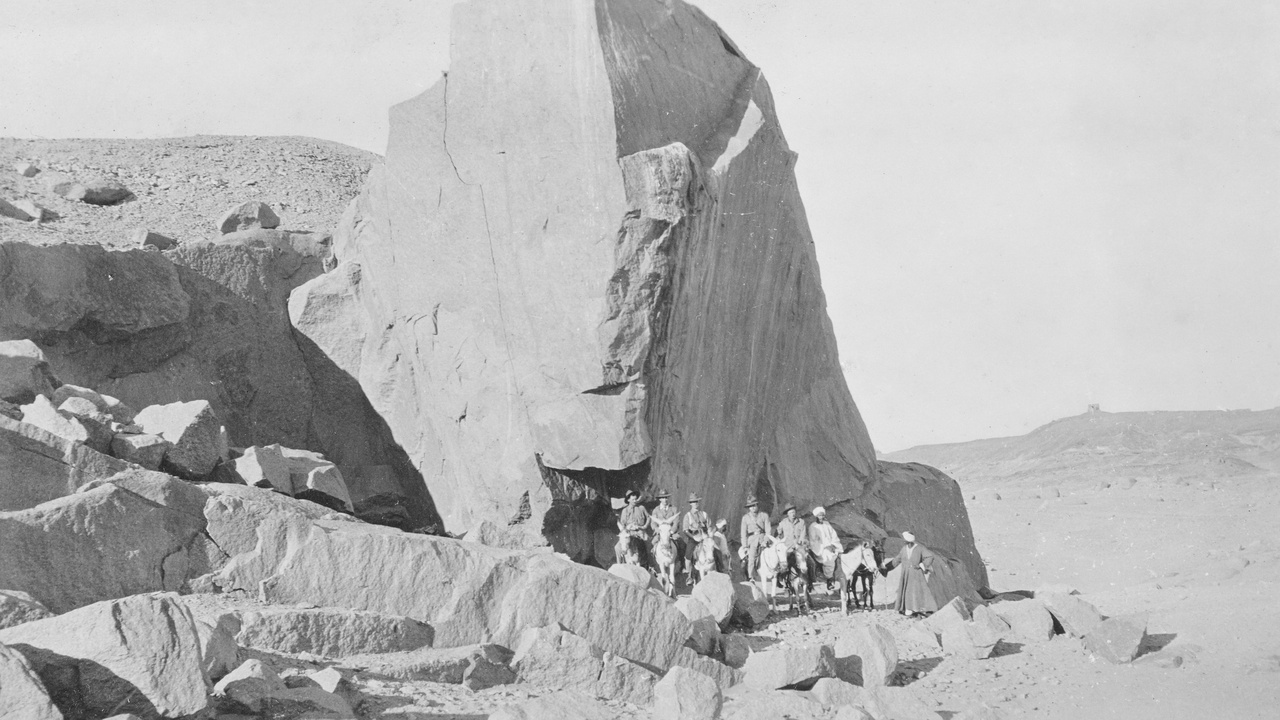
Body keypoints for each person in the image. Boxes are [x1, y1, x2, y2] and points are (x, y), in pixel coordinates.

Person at [881, 530, 939, 617]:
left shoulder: (920, 548)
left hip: (916, 574)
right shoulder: (904, 549)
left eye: (906, 540)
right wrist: (886, 568)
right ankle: (909, 610)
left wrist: (922, 564)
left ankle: (924, 609)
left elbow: (930, 556)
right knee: (907, 591)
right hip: (906, 574)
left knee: (919, 591)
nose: (905, 542)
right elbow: (897, 560)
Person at [807, 506, 843, 592]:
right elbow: (813, 540)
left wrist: (834, 545)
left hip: (831, 546)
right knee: (828, 558)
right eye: (819, 515)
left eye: (822, 515)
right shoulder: (813, 526)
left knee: (841, 556)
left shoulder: (827, 524)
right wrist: (825, 546)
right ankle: (829, 579)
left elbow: (834, 536)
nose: (821, 517)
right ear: (816, 516)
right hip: (820, 548)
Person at [681, 493, 711, 585]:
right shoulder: (688, 516)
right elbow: (685, 530)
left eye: (697, 501)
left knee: (715, 549)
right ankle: (689, 575)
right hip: (694, 537)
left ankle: (721, 568)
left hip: (704, 537)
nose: (695, 503)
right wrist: (693, 537)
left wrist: (708, 533)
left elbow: (709, 525)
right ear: (690, 503)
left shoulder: (704, 514)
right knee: (688, 554)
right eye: (693, 502)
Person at [739, 495, 771, 581]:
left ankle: (776, 575)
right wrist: (745, 546)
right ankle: (751, 576)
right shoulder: (745, 518)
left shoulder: (764, 515)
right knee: (752, 557)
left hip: (763, 537)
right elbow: (743, 533)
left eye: (754, 505)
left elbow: (768, 530)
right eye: (750, 506)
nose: (752, 508)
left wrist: (766, 540)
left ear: (757, 505)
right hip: (752, 539)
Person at [618, 490, 652, 569]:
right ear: (628, 500)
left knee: (649, 546)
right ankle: (619, 566)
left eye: (636, 499)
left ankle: (651, 566)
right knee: (617, 548)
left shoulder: (641, 508)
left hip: (640, 532)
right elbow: (622, 524)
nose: (635, 501)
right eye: (633, 500)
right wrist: (627, 527)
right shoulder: (625, 511)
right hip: (628, 533)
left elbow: (648, 517)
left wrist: (644, 526)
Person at [650, 490, 680, 573]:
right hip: (660, 533)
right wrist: (657, 529)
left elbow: (676, 522)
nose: (665, 499)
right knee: (652, 543)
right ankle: (653, 566)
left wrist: (672, 531)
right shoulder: (656, 510)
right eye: (663, 498)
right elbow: (653, 523)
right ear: (660, 499)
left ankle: (681, 564)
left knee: (681, 544)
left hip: (671, 533)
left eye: (666, 497)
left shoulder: (674, 509)